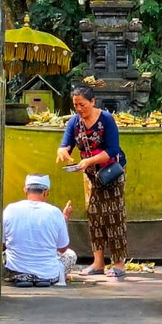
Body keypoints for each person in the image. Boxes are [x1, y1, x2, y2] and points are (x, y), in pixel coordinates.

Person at [56, 85, 128, 279]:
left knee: (114, 215)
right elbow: (66, 144)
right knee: (94, 216)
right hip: (90, 175)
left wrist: (89, 160)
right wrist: (62, 151)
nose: (79, 109)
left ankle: (119, 263)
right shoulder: (74, 122)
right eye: (75, 105)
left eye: (83, 104)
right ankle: (98, 263)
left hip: (111, 172)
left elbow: (113, 149)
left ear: (93, 101)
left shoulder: (106, 119)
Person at [2, 173, 77, 287]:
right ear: (46, 192)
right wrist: (65, 219)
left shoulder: (10, 209)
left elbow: (2, 244)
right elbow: (62, 248)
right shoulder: (55, 212)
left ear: (25, 190)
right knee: (71, 255)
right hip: (48, 272)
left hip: (14, 270)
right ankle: (43, 277)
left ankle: (22, 275)